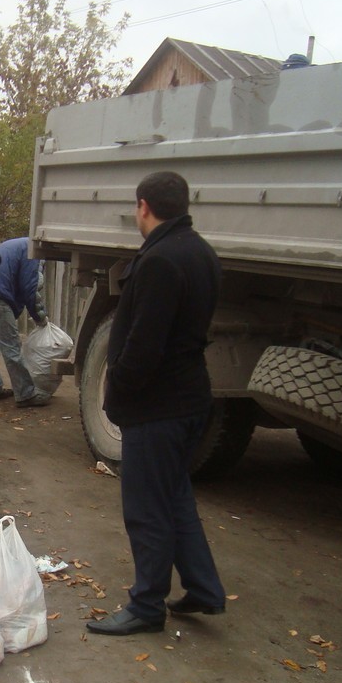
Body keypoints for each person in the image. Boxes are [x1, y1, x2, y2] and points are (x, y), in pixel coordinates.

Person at [85, 171, 226, 636]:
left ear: (143, 206)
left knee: (146, 507)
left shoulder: (161, 259)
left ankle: (147, 606)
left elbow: (144, 347)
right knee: (175, 496)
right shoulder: (200, 251)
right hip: (188, 398)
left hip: (159, 406)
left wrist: (117, 394)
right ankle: (204, 589)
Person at [0, 237, 50, 408]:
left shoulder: (17, 244)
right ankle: (26, 394)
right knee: (12, 347)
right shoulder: (33, 252)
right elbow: (29, 288)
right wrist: (40, 317)